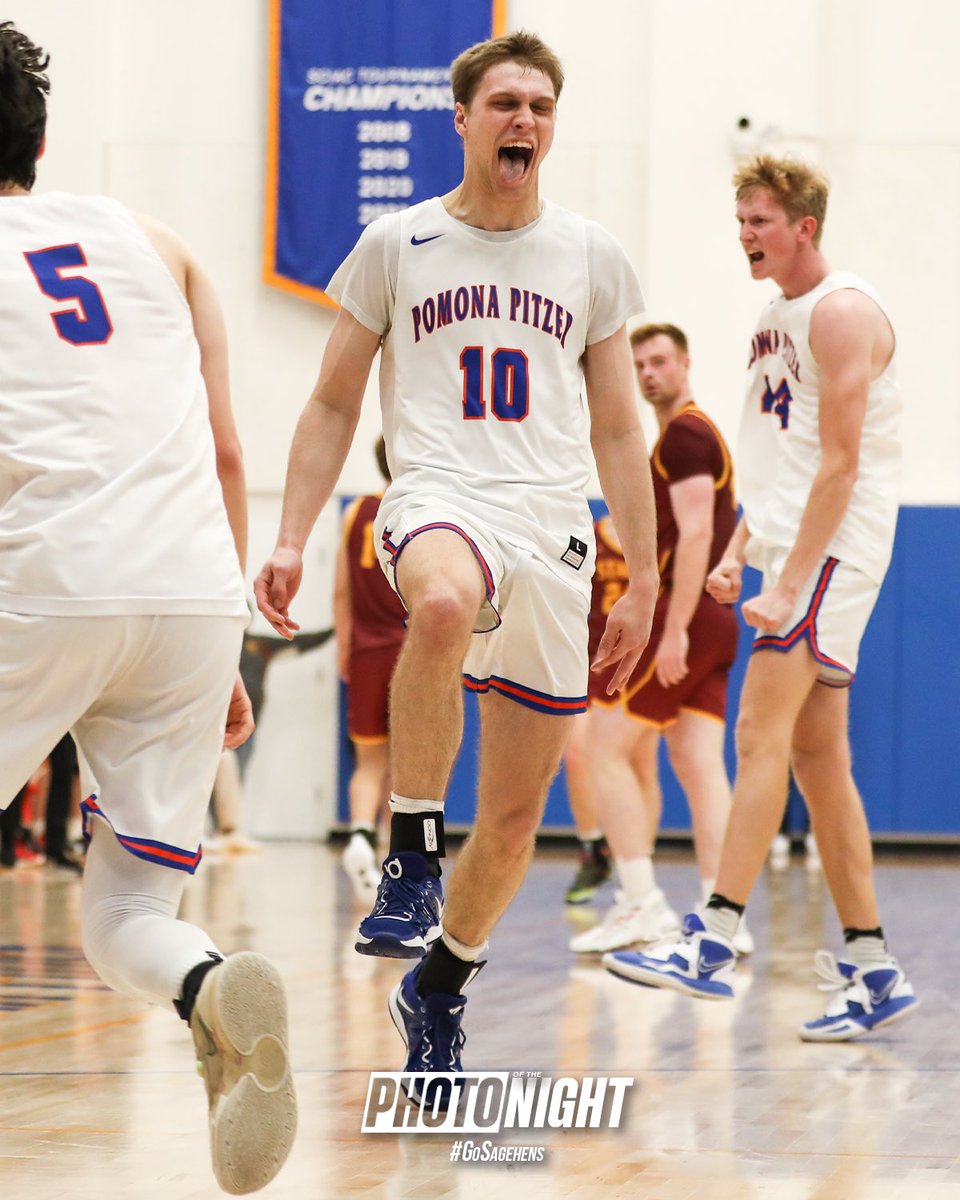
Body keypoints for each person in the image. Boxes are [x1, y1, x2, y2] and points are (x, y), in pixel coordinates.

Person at [256, 29, 657, 1096]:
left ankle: (440, 982)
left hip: (552, 524)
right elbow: (336, 400)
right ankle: (410, 853)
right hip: (438, 493)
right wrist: (292, 535)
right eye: (504, 103)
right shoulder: (397, 243)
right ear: (463, 119)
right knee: (439, 603)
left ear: (550, 125)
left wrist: (650, 576)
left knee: (522, 818)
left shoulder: (589, 254)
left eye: (539, 105)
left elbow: (621, 433)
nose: (523, 119)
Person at [0, 23, 296, 1192]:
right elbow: (225, 449)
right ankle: (206, 981)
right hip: (186, 590)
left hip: (45, 574)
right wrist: (217, 640)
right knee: (128, 903)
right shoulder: (155, 242)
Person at [605, 155, 918, 1043]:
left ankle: (711, 939)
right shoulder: (775, 315)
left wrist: (788, 580)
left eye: (760, 222)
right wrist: (743, 548)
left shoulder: (844, 313)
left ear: (804, 227)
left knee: (755, 736)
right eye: (740, 220)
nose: (744, 235)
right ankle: (872, 965)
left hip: (835, 550)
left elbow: (841, 464)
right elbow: (779, 453)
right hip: (791, 545)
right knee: (819, 764)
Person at [569, 326, 751, 956]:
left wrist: (673, 631)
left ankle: (641, 903)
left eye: (658, 361)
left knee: (602, 750)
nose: (647, 373)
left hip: (687, 615)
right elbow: (726, 523)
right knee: (699, 765)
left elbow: (698, 533)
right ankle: (723, 912)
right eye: (638, 365)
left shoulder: (686, 434)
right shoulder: (691, 436)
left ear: (685, 362)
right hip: (709, 619)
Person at [333, 435, 407, 898]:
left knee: (368, 761)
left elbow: (340, 592)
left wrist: (345, 647)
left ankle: (359, 833)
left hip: (365, 650)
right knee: (407, 763)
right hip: (413, 649)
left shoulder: (355, 512)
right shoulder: (423, 514)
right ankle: (392, 854)